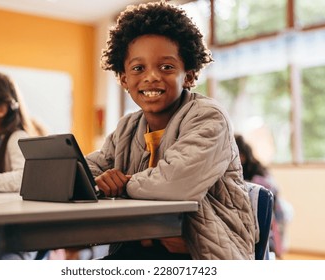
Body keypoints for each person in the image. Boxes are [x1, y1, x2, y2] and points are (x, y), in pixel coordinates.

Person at [86, 2, 256, 260]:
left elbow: (174, 182)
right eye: (138, 68)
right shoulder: (128, 127)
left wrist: (122, 184)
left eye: (166, 67)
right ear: (123, 78)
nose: (151, 77)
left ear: (188, 75)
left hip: (201, 253)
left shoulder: (208, 117)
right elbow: (92, 169)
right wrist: (95, 180)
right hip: (137, 247)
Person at [234, 134, 291, 258]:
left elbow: (271, 195)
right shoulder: (252, 170)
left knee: (270, 244)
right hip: (275, 209)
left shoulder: (257, 175)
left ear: (242, 156)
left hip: (275, 211)